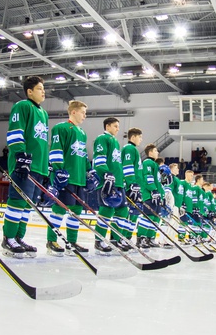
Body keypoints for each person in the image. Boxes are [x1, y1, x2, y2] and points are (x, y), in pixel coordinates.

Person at [1, 76, 48, 258]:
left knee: (28, 206)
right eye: (39, 88)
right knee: (18, 201)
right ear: (29, 91)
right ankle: (9, 238)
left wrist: (46, 166)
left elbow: (42, 142)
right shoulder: (22, 106)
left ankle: (19, 238)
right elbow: (15, 131)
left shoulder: (43, 113)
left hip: (38, 167)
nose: (43, 92)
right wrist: (21, 156)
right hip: (24, 164)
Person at [45, 100, 92, 256]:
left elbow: (83, 155)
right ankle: (51, 240)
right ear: (73, 112)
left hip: (79, 178)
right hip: (66, 177)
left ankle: (72, 242)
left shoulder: (83, 133)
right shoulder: (61, 128)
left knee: (76, 211)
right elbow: (56, 150)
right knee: (59, 209)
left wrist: (89, 171)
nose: (85, 116)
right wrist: (58, 171)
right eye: (83, 112)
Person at [92, 117, 127, 255]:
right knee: (106, 211)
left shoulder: (116, 142)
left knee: (122, 211)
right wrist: (106, 173)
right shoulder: (102, 138)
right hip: (107, 181)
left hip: (118, 182)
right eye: (115, 126)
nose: (118, 129)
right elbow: (99, 159)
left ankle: (115, 240)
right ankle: (99, 240)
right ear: (107, 126)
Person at [137, 143, 165, 248]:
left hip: (156, 195)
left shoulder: (154, 165)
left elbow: (158, 182)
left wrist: (161, 194)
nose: (157, 152)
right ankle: (141, 238)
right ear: (150, 152)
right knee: (148, 217)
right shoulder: (148, 162)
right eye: (156, 151)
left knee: (155, 218)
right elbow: (148, 177)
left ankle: (150, 238)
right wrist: (153, 191)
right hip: (149, 195)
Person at [121, 127, 144, 247]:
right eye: (140, 137)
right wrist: (132, 184)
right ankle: (123, 238)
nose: (141, 139)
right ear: (133, 137)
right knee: (128, 214)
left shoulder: (133, 149)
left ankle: (127, 238)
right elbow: (127, 166)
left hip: (134, 187)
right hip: (130, 187)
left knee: (133, 214)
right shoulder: (129, 148)